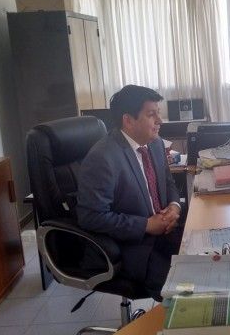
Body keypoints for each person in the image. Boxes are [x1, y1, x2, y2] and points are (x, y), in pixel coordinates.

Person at [77, 85, 182, 300]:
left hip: (165, 231)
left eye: (158, 113)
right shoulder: (103, 158)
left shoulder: (155, 144)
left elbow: (168, 183)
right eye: (151, 115)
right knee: (182, 293)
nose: (160, 121)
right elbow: (91, 217)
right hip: (133, 246)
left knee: (207, 259)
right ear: (128, 120)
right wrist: (146, 225)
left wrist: (174, 207)